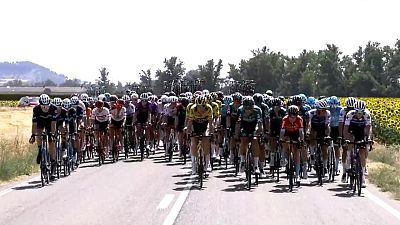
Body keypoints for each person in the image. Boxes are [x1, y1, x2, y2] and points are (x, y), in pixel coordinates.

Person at [343, 100, 371, 187]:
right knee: (350, 141)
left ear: (364, 111)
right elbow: (346, 128)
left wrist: (368, 138)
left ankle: (362, 178)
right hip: (352, 129)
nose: (359, 114)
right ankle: (348, 160)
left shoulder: (367, 114)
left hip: (361, 130)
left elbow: (369, 128)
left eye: (361, 112)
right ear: (354, 111)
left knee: (362, 151)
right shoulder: (350, 114)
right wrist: (346, 139)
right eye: (357, 112)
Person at [29, 94, 57, 180]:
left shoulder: (53, 108)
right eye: (43, 106)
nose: (45, 108)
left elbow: (53, 124)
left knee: (51, 143)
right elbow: (34, 124)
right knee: (39, 133)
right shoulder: (36, 109)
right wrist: (33, 135)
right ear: (40, 104)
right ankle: (40, 149)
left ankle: (53, 164)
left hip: (50, 124)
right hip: (40, 123)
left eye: (47, 106)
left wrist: (52, 134)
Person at [235, 97, 263, 174]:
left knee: (255, 140)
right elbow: (238, 124)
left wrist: (260, 132)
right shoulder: (240, 110)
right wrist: (237, 136)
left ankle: (256, 165)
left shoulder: (257, 110)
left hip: (254, 126)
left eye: (250, 108)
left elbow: (260, 123)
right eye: (246, 108)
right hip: (244, 126)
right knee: (243, 140)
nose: (248, 110)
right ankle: (242, 161)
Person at [187, 95, 214, 174]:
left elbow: (210, 123)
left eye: (202, 106)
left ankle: (208, 163)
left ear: (205, 105)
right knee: (194, 141)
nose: (200, 108)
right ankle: (193, 164)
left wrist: (211, 133)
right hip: (195, 125)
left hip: (205, 125)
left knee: (206, 140)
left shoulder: (209, 108)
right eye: (198, 106)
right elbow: (190, 123)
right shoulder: (193, 109)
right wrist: (189, 133)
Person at [280, 105, 304, 183]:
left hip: (296, 134)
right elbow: (282, 131)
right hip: (287, 133)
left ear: (297, 115)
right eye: (290, 116)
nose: (292, 118)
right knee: (285, 140)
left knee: (297, 152)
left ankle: (297, 174)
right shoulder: (285, 119)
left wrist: (302, 140)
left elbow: (301, 132)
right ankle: (283, 157)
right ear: (288, 115)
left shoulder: (299, 119)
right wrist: (281, 139)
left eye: (294, 116)